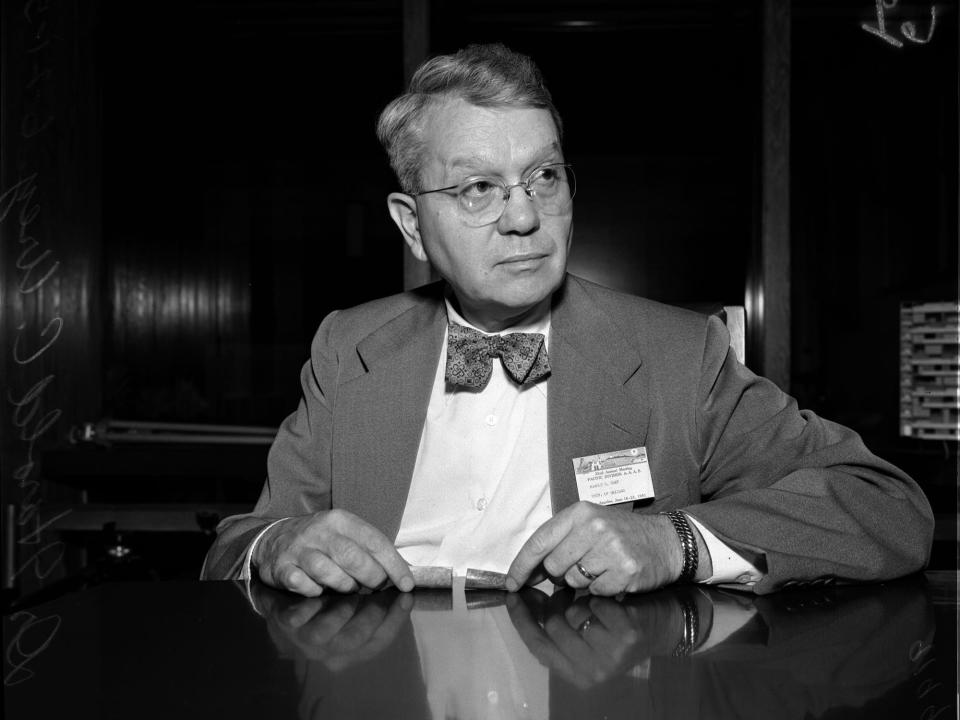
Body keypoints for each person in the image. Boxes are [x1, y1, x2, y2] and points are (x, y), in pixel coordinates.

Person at [201, 43, 933, 597]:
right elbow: (237, 541)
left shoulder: (678, 355)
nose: (524, 216)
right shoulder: (346, 348)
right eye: (478, 188)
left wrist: (675, 540)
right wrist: (277, 547)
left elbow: (888, 508)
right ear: (412, 225)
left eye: (543, 176)